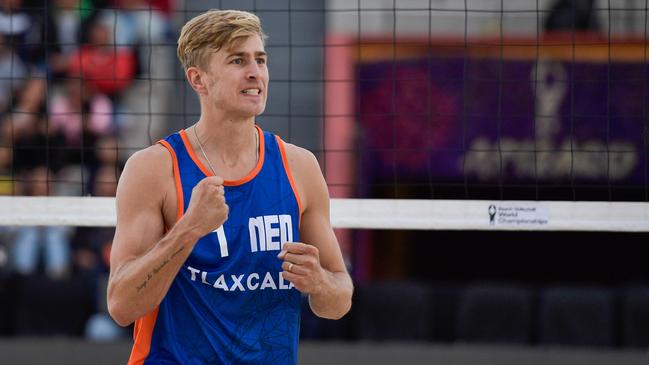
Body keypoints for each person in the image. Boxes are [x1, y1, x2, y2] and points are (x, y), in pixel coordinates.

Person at [106, 9, 353, 364]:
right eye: (238, 60)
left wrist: (320, 284)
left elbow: (339, 300)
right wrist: (189, 228)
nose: (255, 72)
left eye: (260, 59)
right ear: (199, 80)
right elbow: (121, 305)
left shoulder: (299, 166)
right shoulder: (154, 168)